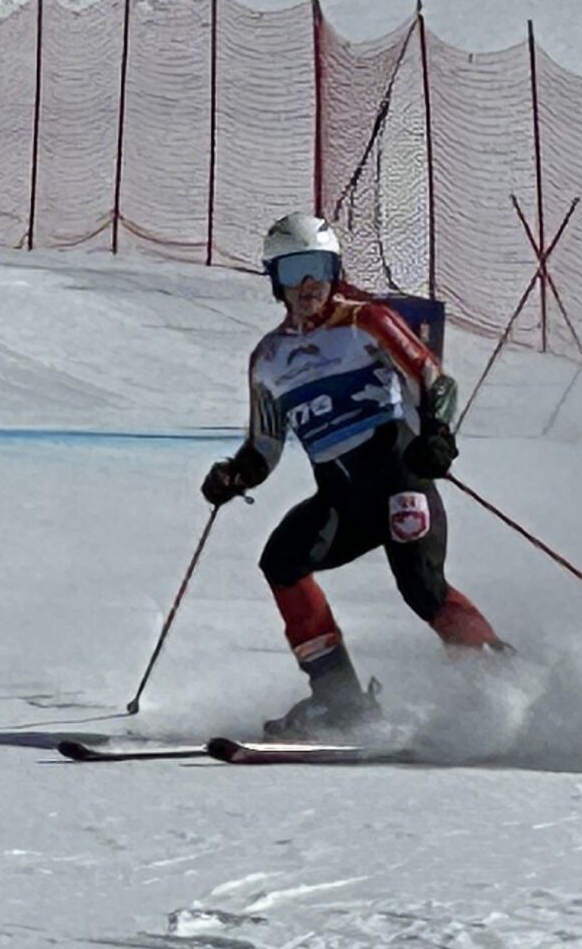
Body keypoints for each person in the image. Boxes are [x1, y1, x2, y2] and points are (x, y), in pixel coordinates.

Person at [201, 213, 507, 738]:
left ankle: (504, 680)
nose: (308, 284)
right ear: (275, 280)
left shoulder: (366, 321)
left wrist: (437, 435)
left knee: (421, 587)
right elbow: (265, 445)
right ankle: (339, 701)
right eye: (293, 270)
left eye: (319, 268)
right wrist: (235, 474)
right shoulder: (268, 359)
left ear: (335, 270)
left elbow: (433, 379)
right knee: (283, 559)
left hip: (400, 484)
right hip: (342, 500)